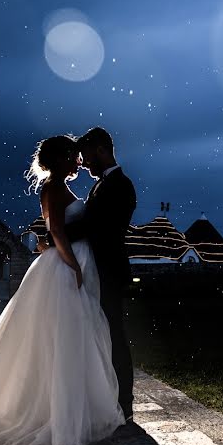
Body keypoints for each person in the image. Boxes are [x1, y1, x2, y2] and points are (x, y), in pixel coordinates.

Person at [0, 135, 124, 445]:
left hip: (73, 260)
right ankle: (54, 414)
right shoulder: (52, 189)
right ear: (62, 158)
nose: (79, 160)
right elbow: (56, 233)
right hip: (63, 267)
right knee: (61, 336)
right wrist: (72, 267)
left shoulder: (62, 188)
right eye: (73, 155)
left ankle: (76, 407)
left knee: (75, 335)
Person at [54, 127, 137, 420]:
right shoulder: (100, 185)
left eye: (87, 156)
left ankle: (123, 405)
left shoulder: (121, 185)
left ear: (101, 149)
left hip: (109, 272)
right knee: (98, 336)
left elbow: (96, 227)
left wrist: (54, 238)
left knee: (113, 335)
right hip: (95, 270)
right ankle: (103, 398)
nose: (84, 162)